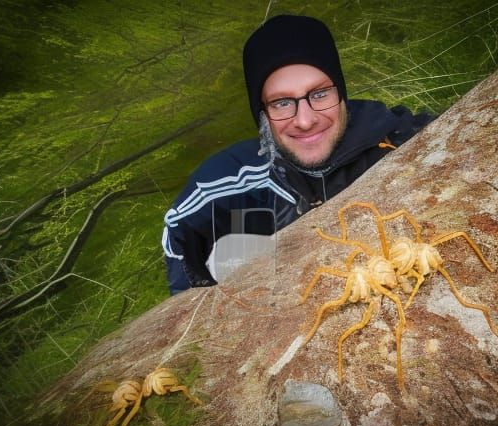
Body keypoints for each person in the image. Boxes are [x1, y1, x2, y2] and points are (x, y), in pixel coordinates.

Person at [162, 14, 433, 295]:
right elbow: (177, 230)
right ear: (262, 113)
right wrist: (199, 308)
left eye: (319, 94)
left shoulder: (402, 141)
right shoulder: (227, 186)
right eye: (282, 103)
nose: (305, 120)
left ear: (340, 92)